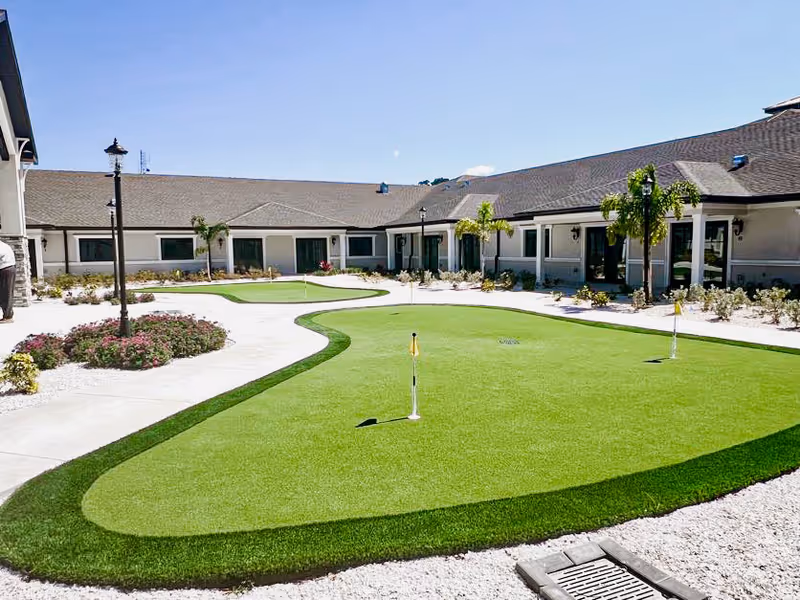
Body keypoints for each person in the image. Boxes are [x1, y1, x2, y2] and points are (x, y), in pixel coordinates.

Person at [0, 238, 16, 323]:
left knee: (5, 293)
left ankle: (8, 316)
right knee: (5, 293)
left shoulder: (2, 246)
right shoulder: (4, 245)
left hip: (5, 269)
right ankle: (8, 314)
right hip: (7, 269)